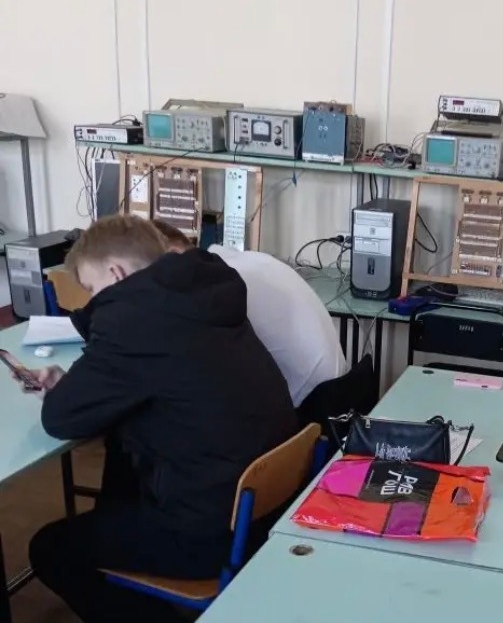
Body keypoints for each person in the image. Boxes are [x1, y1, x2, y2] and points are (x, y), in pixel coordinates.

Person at [23, 214, 298, 623]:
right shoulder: (206, 291)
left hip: (206, 531)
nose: (92, 301)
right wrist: (81, 384)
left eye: (92, 289)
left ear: (116, 274)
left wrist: (66, 389)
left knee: (51, 549)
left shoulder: (134, 319)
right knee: (121, 451)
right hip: (262, 507)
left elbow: (60, 419)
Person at [151, 220, 347, 408]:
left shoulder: (222, 285)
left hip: (311, 408)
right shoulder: (245, 261)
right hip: (337, 392)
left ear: (173, 256)